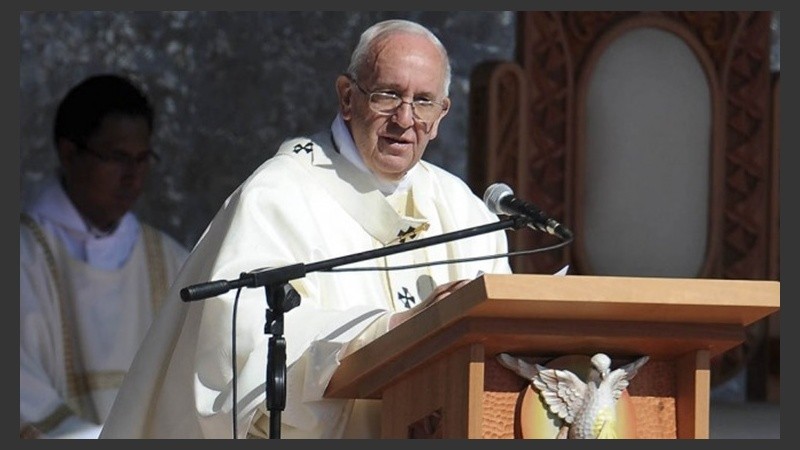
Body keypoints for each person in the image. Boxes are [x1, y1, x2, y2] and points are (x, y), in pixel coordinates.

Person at [99, 19, 512, 439]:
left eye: (423, 101)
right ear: (347, 97)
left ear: (441, 115)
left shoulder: (462, 210)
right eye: (388, 95)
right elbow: (237, 347)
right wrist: (389, 330)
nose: (405, 118)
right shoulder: (278, 194)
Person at [20, 74, 190, 438]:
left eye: (143, 159)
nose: (132, 177)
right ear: (69, 154)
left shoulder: (170, 261)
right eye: (117, 158)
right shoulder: (22, 256)